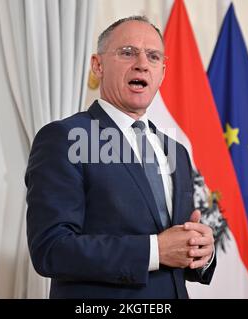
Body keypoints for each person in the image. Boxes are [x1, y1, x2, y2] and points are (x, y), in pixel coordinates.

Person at [25, 16, 216, 299]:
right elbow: (52, 249)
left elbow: (178, 247)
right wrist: (154, 250)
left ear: (162, 72)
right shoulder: (65, 137)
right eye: (127, 52)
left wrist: (202, 250)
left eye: (153, 56)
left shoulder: (177, 151)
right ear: (97, 65)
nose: (141, 63)